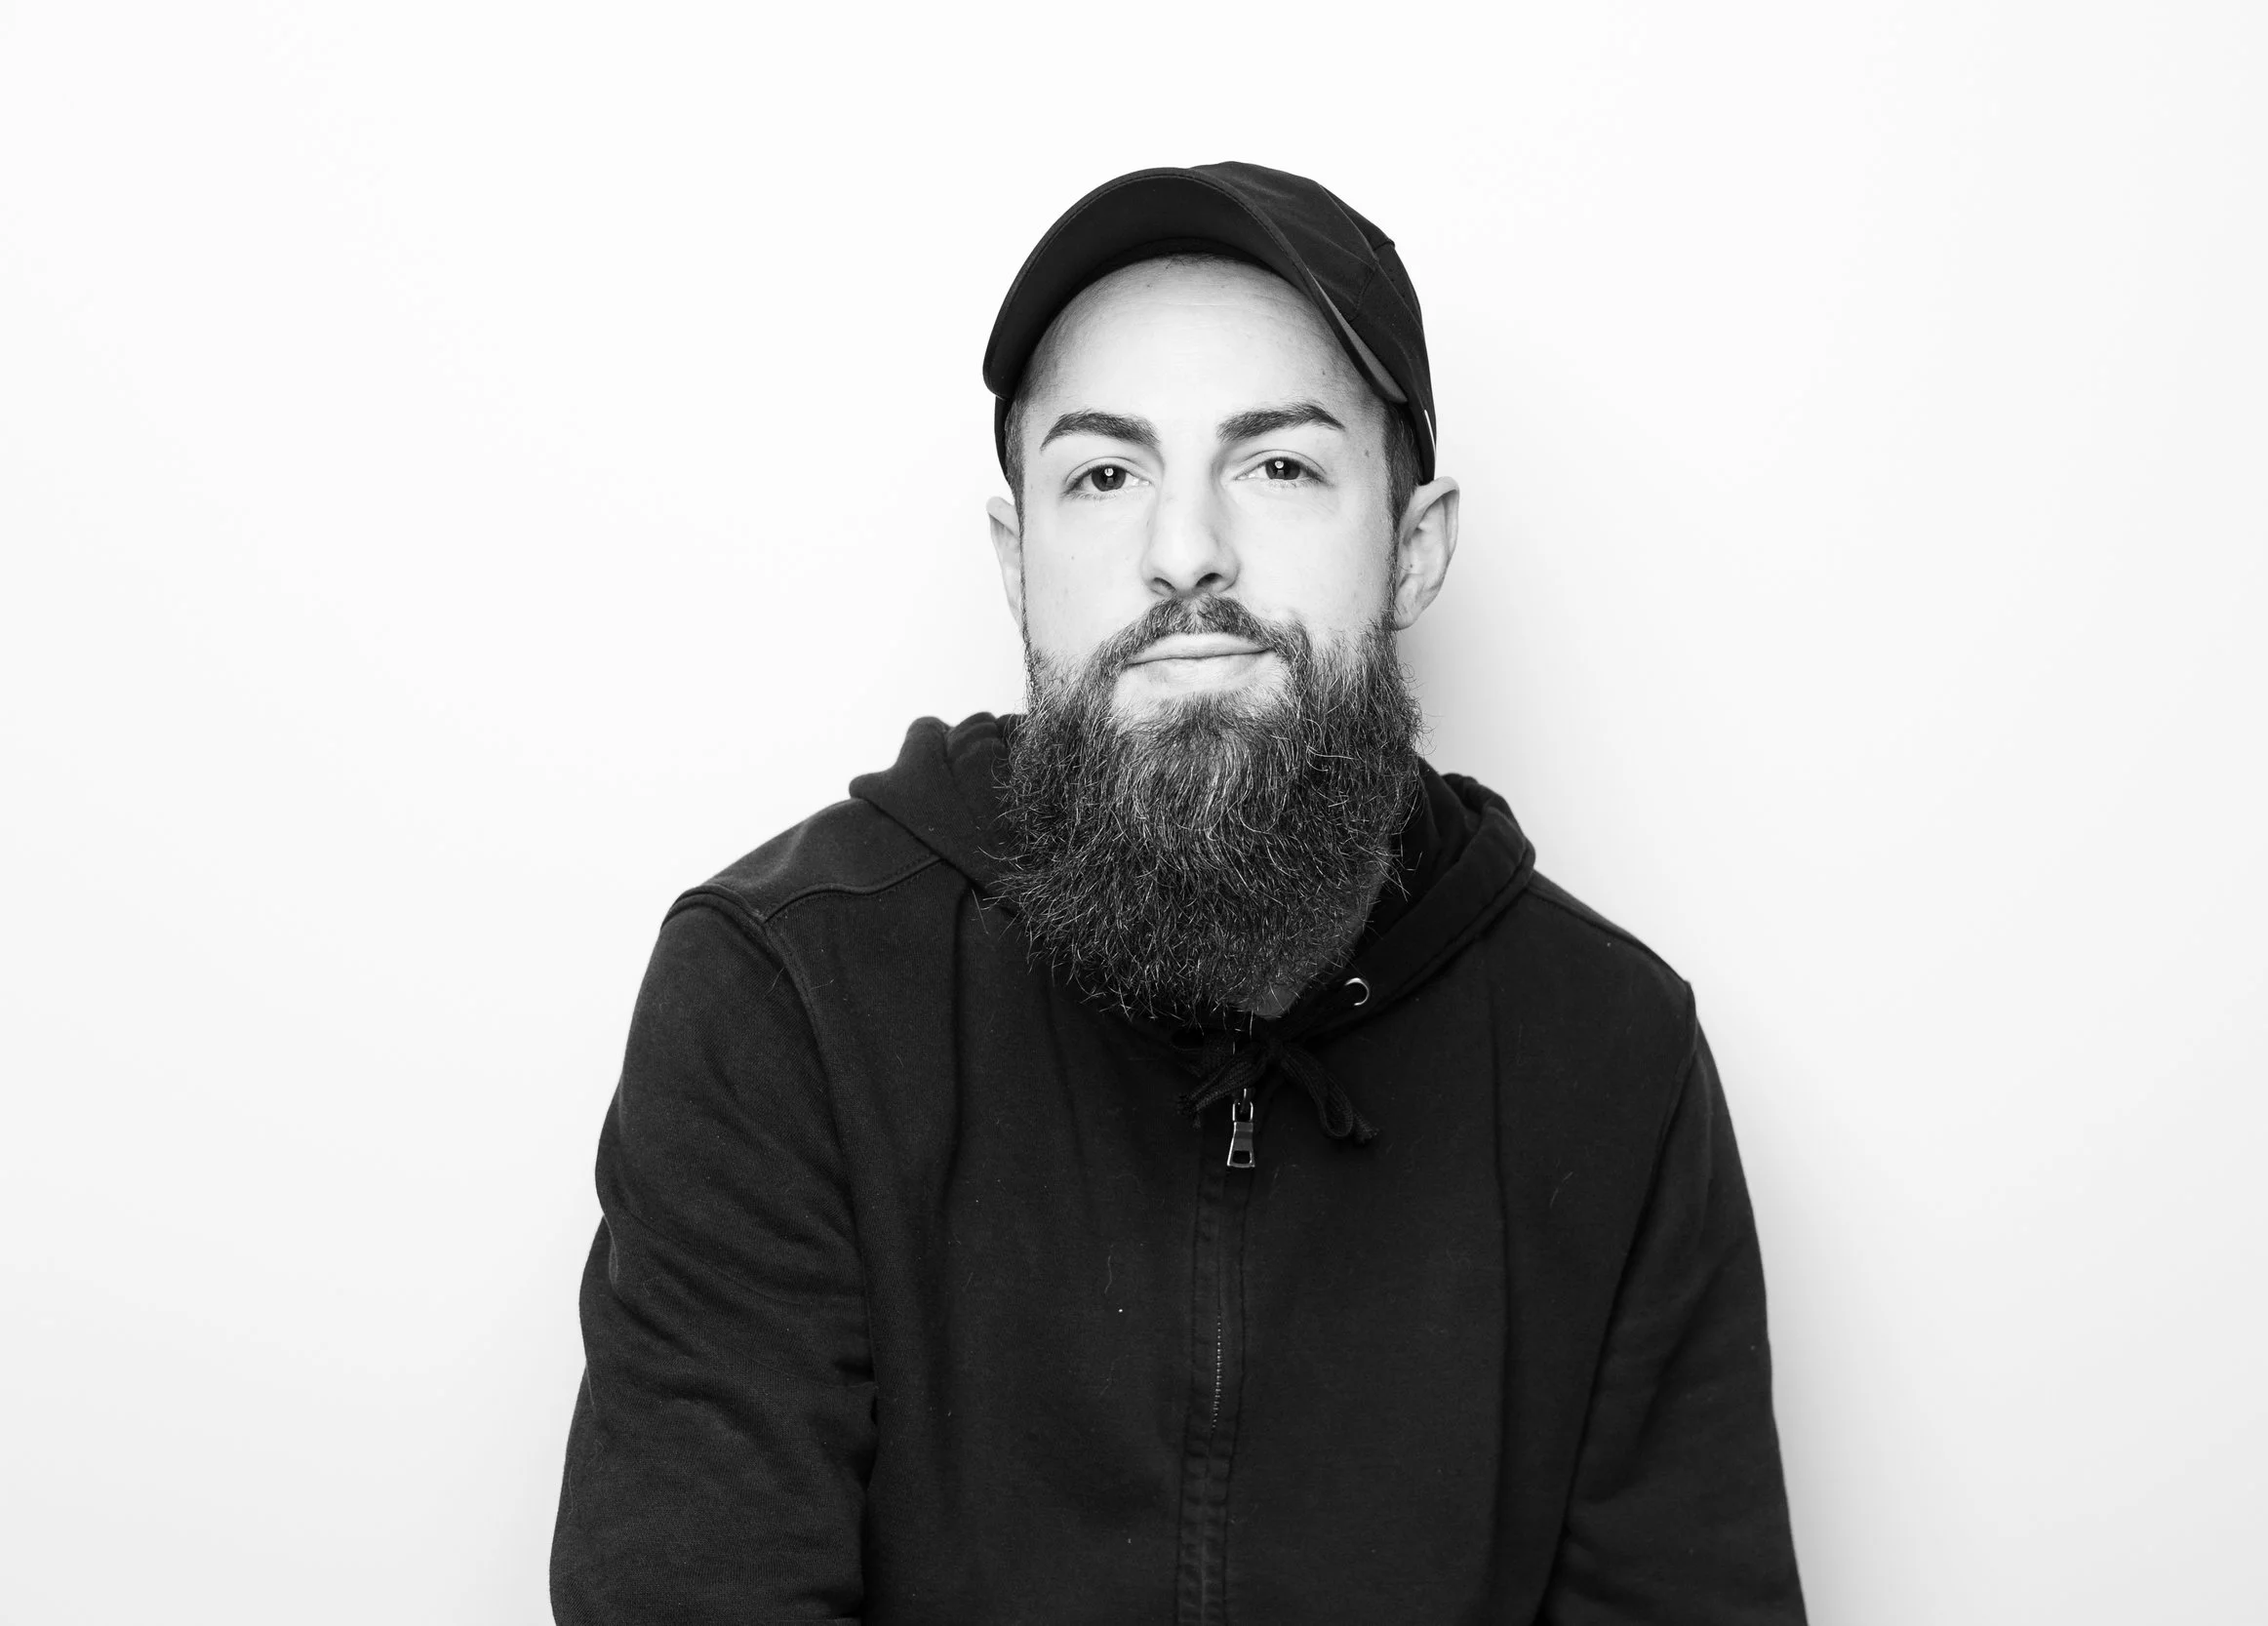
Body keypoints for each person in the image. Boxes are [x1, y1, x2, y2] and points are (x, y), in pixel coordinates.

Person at [550, 161, 1807, 1625]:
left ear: (1416, 541)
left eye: (1278, 464)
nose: (1185, 550)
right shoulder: (785, 999)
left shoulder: (1613, 1056)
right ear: (1020, 562)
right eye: (1104, 474)